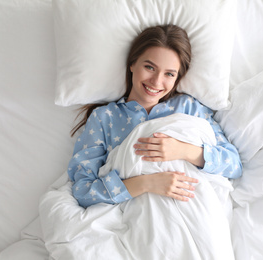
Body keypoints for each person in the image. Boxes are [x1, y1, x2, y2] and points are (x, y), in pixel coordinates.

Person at [68, 24, 242, 208]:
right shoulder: (105, 118)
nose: (157, 81)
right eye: (150, 67)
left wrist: (183, 150)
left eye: (169, 73)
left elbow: (234, 165)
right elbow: (83, 191)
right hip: (134, 214)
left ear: (177, 78)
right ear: (133, 64)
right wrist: (147, 183)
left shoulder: (189, 108)